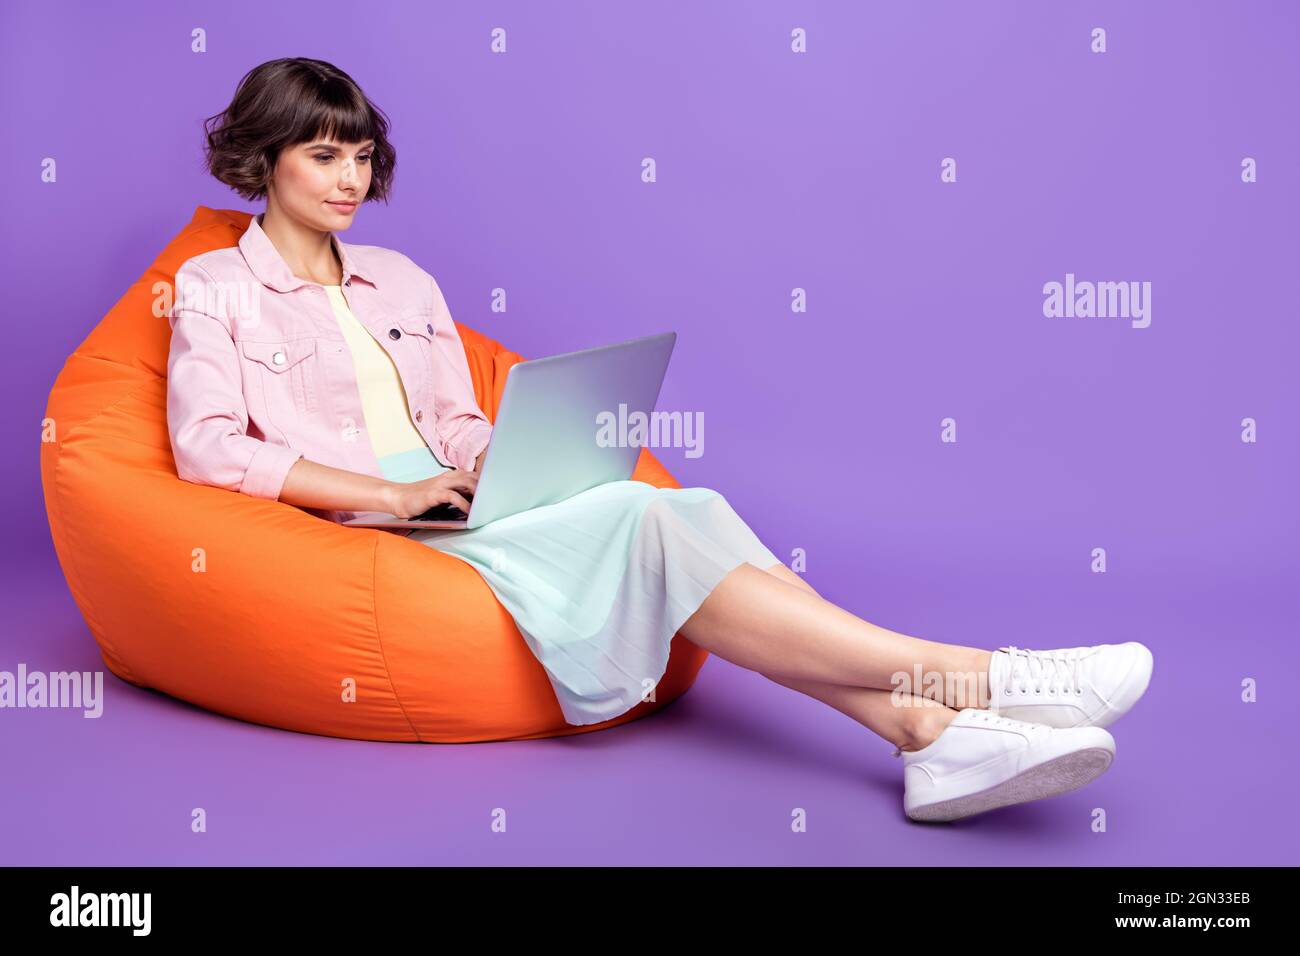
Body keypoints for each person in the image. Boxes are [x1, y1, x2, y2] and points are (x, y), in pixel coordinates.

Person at [166, 57, 1154, 823]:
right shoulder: (215, 290)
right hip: (373, 526)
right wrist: (389, 496)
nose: (351, 177)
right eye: (323, 155)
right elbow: (206, 448)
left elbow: (453, 417)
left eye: (361, 154)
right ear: (265, 159)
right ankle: (989, 677)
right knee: (653, 521)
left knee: (684, 506)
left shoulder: (401, 280)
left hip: (463, 501)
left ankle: (924, 734)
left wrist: (489, 462)